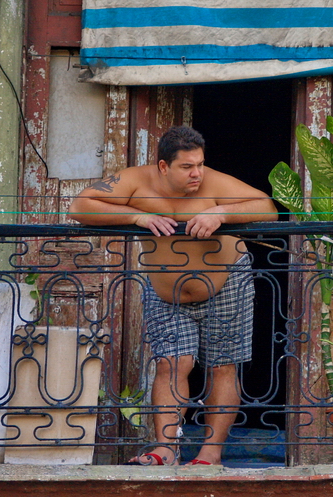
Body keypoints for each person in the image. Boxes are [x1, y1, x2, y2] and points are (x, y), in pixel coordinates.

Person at [68, 126, 277, 466]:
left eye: (200, 164)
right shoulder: (136, 181)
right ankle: (165, 450)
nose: (197, 173)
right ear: (164, 166)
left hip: (226, 284)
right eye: (187, 166)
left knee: (223, 367)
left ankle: (210, 455)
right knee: (171, 364)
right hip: (167, 293)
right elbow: (79, 206)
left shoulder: (213, 182)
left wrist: (220, 213)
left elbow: (267, 208)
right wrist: (137, 216)